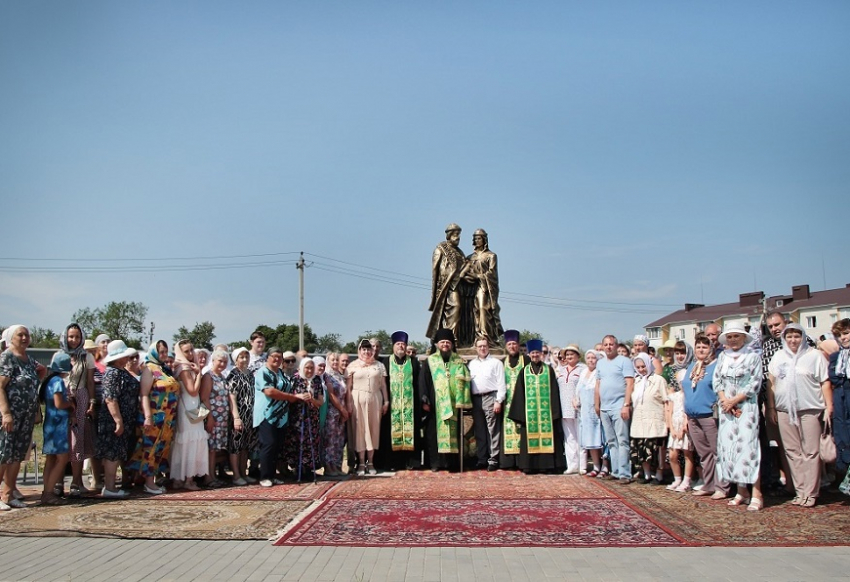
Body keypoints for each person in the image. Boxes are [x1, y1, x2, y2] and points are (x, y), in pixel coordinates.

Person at [767, 323, 833, 507]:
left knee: (811, 451)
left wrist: (829, 406)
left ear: (803, 337)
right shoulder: (779, 356)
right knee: (792, 451)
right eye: (789, 337)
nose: (793, 340)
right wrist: (771, 408)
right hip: (784, 411)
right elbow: (771, 383)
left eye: (796, 336)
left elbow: (824, 382)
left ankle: (811, 492)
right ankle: (800, 490)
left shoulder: (814, 356)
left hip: (809, 409)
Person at [713, 322, 763, 511]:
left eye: (736, 336)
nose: (733, 340)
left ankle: (757, 493)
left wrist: (735, 401)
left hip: (746, 407)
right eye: (730, 336)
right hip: (727, 410)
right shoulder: (723, 357)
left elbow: (755, 383)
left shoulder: (752, 357)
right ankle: (741, 491)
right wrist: (725, 401)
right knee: (731, 449)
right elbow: (717, 381)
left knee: (749, 449)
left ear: (744, 337)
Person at [128, 341, 180, 495]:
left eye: (165, 351)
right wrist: (148, 416)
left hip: (168, 418)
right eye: (161, 352)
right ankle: (149, 483)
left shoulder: (165, 369)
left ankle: (153, 479)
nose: (164, 355)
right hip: (155, 416)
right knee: (150, 448)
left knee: (160, 448)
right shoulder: (149, 369)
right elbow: (144, 394)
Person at [508, 339, 566, 474]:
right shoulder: (524, 372)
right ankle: (529, 466)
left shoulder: (549, 370)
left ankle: (548, 466)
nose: (535, 355)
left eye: (537, 353)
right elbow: (519, 394)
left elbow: (554, 392)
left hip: (546, 414)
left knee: (549, 438)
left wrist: (555, 413)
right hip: (530, 416)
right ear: (529, 354)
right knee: (529, 439)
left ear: (541, 354)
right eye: (532, 353)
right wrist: (520, 416)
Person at [1, 325, 43, 510]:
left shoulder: (28, 359)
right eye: (21, 335)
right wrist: (6, 413)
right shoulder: (6, 357)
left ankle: (8, 494)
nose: (25, 338)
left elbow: (41, 372)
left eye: (27, 335)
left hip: (26, 417)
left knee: (17, 455)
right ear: (12, 337)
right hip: (10, 415)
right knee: (4, 454)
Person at [683, 334, 729, 499]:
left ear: (711, 349)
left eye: (704, 347)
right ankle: (708, 484)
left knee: (717, 452)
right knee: (704, 453)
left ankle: (722, 486)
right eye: (698, 347)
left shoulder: (716, 366)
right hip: (692, 415)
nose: (701, 350)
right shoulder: (692, 366)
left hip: (709, 415)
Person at [419, 329, 471, 471]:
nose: (445, 345)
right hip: (435, 406)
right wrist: (425, 400)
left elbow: (465, 380)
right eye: (442, 342)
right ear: (437, 344)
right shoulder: (430, 361)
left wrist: (463, 400)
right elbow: (423, 382)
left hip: (454, 405)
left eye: (448, 342)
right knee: (433, 435)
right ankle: (435, 464)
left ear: (452, 345)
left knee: (454, 435)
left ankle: (452, 464)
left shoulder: (458, 361)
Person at [254, 348, 304, 487]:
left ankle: (272, 475)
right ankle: (264, 476)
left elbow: (288, 388)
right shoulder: (263, 372)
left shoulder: (281, 373)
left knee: (277, 446)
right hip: (266, 414)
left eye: (279, 357)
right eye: (274, 356)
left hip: (281, 416)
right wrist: (292, 397)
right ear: (267, 357)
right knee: (268, 444)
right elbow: (269, 391)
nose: (276, 359)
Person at [96, 340, 140, 498]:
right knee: (112, 454)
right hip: (113, 421)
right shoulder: (112, 373)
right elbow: (110, 398)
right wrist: (118, 420)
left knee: (117, 452)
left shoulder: (122, 371)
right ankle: (109, 487)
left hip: (124, 419)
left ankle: (111, 486)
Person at [57, 323, 96, 497]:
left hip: (80, 397)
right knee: (61, 441)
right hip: (61, 398)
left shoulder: (86, 357)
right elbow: (53, 378)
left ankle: (76, 481)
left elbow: (90, 382)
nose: (74, 340)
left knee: (77, 441)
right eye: (71, 336)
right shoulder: (59, 356)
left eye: (77, 337)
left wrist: (91, 401)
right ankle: (57, 481)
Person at [595, 335, 635, 484]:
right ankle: (616, 471)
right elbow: (598, 384)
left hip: (619, 406)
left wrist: (626, 404)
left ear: (616, 346)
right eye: (606, 344)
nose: (608, 347)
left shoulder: (624, 361)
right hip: (605, 407)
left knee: (622, 440)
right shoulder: (600, 363)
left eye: (611, 344)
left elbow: (629, 383)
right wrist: (597, 404)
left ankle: (625, 473)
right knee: (611, 441)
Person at [170, 340, 208, 491]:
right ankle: (188, 479)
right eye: (186, 351)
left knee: (188, 441)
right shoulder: (184, 368)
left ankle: (180, 478)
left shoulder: (184, 366)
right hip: (189, 405)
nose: (191, 354)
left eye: (191, 350)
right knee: (189, 441)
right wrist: (199, 373)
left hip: (191, 405)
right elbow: (192, 390)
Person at [346, 340, 388, 476]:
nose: (366, 352)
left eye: (369, 349)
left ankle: (371, 462)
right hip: (357, 400)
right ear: (359, 351)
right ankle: (361, 462)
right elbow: (348, 387)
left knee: (373, 430)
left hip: (375, 399)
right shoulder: (352, 366)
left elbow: (383, 385)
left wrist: (386, 401)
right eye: (363, 349)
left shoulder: (379, 366)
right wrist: (348, 403)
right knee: (360, 431)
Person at [427, 223, 472, 347]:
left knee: (462, 313)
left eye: (459, 235)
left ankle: (456, 338)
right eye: (456, 235)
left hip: (460, 286)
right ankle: (449, 338)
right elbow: (438, 270)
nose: (458, 238)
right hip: (447, 287)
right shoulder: (441, 249)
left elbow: (464, 267)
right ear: (449, 235)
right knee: (455, 307)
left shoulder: (459, 252)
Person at [39, 354, 74, 505]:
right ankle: (48, 493)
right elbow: (59, 403)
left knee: (51, 459)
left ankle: (47, 490)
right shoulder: (58, 381)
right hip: (58, 425)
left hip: (50, 424)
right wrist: (71, 404)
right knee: (62, 459)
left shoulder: (49, 381)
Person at [386, 331, 424, 470]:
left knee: (412, 432)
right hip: (392, 405)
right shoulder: (386, 362)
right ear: (393, 346)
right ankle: (394, 463)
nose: (401, 346)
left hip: (410, 404)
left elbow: (419, 383)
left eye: (403, 344)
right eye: (398, 344)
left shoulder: (413, 361)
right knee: (391, 432)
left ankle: (412, 462)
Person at [629, 353, 669, 485]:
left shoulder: (659, 380)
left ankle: (659, 474)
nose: (641, 369)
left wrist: (668, 421)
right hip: (639, 420)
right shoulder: (637, 381)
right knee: (641, 449)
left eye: (643, 366)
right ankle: (646, 474)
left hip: (655, 419)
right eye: (638, 367)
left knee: (656, 450)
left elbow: (666, 401)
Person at [468, 336, 506, 471]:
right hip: (476, 399)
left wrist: (498, 400)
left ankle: (493, 459)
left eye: (484, 346)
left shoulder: (496, 363)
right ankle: (482, 459)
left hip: (491, 397)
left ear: (488, 347)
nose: (482, 348)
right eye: (480, 346)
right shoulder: (472, 364)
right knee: (479, 431)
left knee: (492, 430)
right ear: (476, 348)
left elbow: (501, 383)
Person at [285, 358, 324, 481]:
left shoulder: (317, 380)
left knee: (311, 442)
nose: (309, 370)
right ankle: (297, 469)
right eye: (307, 367)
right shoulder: (295, 379)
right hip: (297, 417)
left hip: (312, 418)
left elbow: (320, 401)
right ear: (302, 368)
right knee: (297, 442)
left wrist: (311, 399)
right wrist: (299, 396)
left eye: (312, 368)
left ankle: (309, 469)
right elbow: (288, 398)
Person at [464, 229, 503, 346]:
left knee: (482, 308)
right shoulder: (470, 257)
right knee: (472, 312)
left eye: (479, 238)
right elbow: (464, 272)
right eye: (475, 238)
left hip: (484, 287)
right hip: (470, 288)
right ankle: (475, 337)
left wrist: (478, 276)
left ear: (484, 239)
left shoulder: (491, 256)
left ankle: (485, 336)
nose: (477, 240)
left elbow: (492, 274)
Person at [665, 342, 696, 492]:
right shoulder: (673, 371)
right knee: (673, 454)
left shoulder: (694, 367)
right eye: (677, 353)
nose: (680, 356)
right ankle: (677, 478)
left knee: (687, 452)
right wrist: (670, 425)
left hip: (685, 419)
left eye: (682, 352)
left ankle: (687, 480)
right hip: (675, 419)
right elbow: (670, 401)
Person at [226, 347, 257, 485]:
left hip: (250, 416)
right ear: (236, 359)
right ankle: (236, 475)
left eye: (246, 356)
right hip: (238, 415)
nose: (245, 360)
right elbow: (232, 397)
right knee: (236, 446)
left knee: (245, 447)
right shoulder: (233, 375)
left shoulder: (250, 374)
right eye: (241, 357)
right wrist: (236, 417)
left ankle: (244, 473)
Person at [200, 350, 231, 488]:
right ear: (213, 361)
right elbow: (205, 398)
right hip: (213, 418)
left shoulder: (222, 377)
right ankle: (208, 477)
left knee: (214, 449)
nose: (222, 364)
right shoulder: (208, 376)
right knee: (210, 449)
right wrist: (210, 417)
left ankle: (212, 475)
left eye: (225, 362)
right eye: (220, 361)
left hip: (222, 419)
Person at [499, 330, 527, 470]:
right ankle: (508, 463)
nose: (512, 346)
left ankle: (521, 462)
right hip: (506, 403)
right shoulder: (501, 362)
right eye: (509, 344)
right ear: (506, 346)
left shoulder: (526, 360)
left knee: (522, 431)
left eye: (514, 343)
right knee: (507, 431)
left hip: (523, 403)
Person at [556, 345, 585, 475]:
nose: (569, 357)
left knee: (580, 436)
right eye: (567, 355)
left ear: (578, 356)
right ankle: (572, 464)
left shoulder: (583, 369)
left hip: (578, 408)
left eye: (572, 354)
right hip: (564, 408)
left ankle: (582, 465)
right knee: (569, 438)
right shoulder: (561, 370)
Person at [575, 350, 603, 477]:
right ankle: (596, 465)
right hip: (584, 411)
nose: (591, 360)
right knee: (588, 439)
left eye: (593, 358)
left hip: (595, 409)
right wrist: (575, 400)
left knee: (598, 438)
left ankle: (603, 466)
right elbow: (578, 390)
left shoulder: (599, 372)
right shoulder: (583, 372)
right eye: (589, 358)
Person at [829, 318, 850, 480]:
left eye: (846, 333)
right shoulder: (836, 357)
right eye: (840, 335)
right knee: (842, 435)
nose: (843, 338)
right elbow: (833, 378)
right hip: (840, 399)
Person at [322, 352, 349, 477]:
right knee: (330, 440)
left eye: (337, 360)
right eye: (332, 360)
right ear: (328, 361)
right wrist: (342, 409)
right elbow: (332, 395)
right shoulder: (327, 375)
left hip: (341, 412)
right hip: (332, 411)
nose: (335, 362)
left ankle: (337, 465)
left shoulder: (339, 375)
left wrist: (344, 410)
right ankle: (328, 466)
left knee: (339, 440)